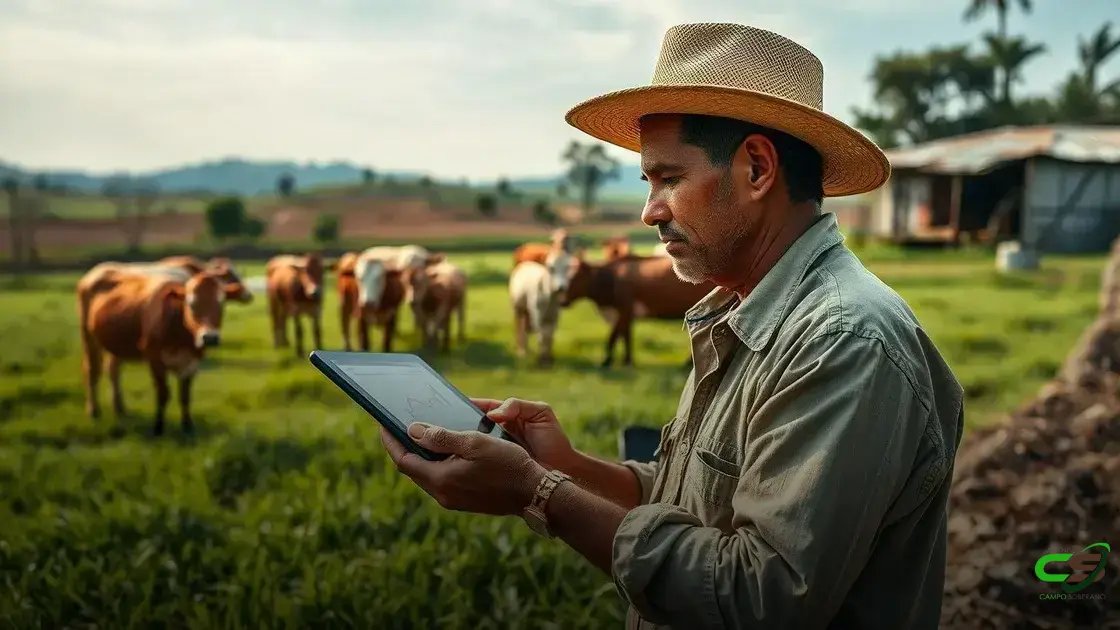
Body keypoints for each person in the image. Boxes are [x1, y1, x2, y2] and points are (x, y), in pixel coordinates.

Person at [380, 22, 964, 629]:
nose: (649, 211)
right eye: (648, 182)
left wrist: (536, 492)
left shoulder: (840, 342)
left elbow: (762, 597)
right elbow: (700, 502)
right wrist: (568, 468)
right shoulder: (743, 307)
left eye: (669, 179)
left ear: (758, 169)